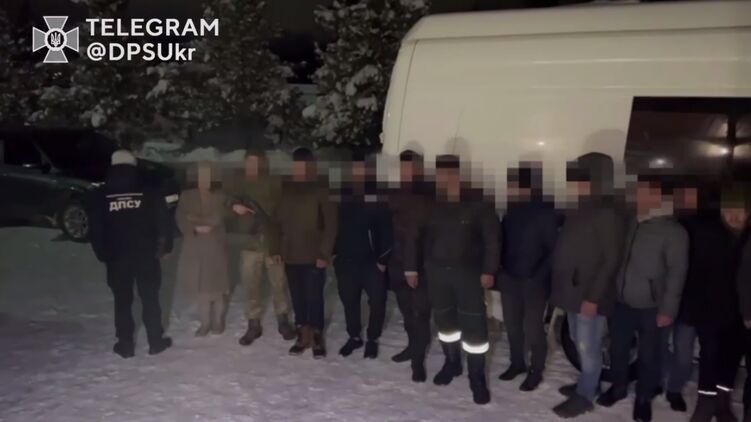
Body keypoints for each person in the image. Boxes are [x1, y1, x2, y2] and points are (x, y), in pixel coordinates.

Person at [405, 154, 500, 405]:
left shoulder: (477, 201)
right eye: (441, 174)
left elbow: (492, 239)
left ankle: (477, 379)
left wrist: (489, 270)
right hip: (437, 274)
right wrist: (411, 269)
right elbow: (413, 236)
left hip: (468, 274)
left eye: (450, 174)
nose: (445, 179)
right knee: (445, 324)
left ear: (459, 174)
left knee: (475, 328)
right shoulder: (429, 204)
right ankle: (452, 363)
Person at [596, 176, 688, 422]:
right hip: (622, 302)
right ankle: (618, 388)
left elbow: (677, 272)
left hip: (652, 306)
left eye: (645, 193)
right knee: (618, 349)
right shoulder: (631, 221)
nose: (639, 198)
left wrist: (668, 309)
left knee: (649, 356)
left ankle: (644, 398)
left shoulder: (673, 231)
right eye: (637, 193)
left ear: (659, 197)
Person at [550, 152, 626, 418]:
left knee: (588, 346)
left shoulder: (607, 212)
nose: (575, 183)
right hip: (573, 291)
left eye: (581, 178)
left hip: (589, 295)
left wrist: (593, 297)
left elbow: (611, 258)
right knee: (576, 340)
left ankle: (585, 396)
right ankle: (587, 383)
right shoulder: (580, 207)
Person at [88, 149, 173, 358]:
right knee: (150, 298)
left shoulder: (100, 195)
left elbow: (96, 229)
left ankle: (125, 344)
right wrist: (164, 247)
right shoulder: (149, 191)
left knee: (122, 300)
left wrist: (103, 254)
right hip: (146, 255)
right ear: (134, 165)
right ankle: (155, 341)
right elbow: (163, 221)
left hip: (117, 258)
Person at [687, 184, 750, 422]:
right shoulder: (709, 234)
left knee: (730, 358)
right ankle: (705, 404)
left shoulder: (748, 238)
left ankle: (722, 404)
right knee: (710, 355)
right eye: (728, 210)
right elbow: (695, 274)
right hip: (710, 309)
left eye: (739, 210)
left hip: (741, 312)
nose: (733, 216)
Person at [269, 147, 338, 359]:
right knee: (297, 296)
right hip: (291, 253)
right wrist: (275, 249)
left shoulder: (321, 188)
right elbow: (275, 222)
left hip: (314, 254)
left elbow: (331, 224)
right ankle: (302, 334)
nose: (300, 169)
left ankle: (316, 336)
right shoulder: (286, 188)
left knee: (314, 296)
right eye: (297, 165)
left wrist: (324, 253)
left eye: (305, 165)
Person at [496, 164, 558, 392]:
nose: (509, 190)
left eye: (513, 186)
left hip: (534, 283)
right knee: (512, 326)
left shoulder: (546, 212)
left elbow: (554, 251)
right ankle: (517, 363)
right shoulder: (511, 212)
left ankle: (536, 370)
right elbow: (501, 242)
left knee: (533, 328)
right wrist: (500, 270)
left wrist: (537, 276)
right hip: (509, 279)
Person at [230, 149, 295, 345]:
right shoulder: (238, 181)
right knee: (251, 284)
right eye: (248, 162)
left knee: (278, 283)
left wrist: (280, 243)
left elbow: (284, 210)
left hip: (272, 241)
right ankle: (253, 323)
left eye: (255, 162)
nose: (251, 166)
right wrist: (234, 205)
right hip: (249, 242)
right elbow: (227, 198)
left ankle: (283, 320)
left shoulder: (274, 181)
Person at [333, 151, 392, 359]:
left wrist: (382, 258)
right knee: (350, 301)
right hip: (345, 260)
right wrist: (333, 252)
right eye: (354, 169)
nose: (357, 173)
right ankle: (354, 336)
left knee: (377, 301)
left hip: (371, 261)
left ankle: (373, 338)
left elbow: (387, 227)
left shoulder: (376, 193)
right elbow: (332, 224)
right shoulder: (342, 193)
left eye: (361, 169)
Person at [388, 150, 432, 382]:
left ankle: (418, 362)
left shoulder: (429, 194)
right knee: (407, 313)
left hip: (420, 267)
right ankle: (412, 347)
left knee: (420, 315)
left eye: (411, 168)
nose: (406, 172)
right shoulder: (394, 193)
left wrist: (415, 265)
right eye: (403, 168)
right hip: (397, 263)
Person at [661, 179, 705, 412]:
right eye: (680, 195)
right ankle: (654, 381)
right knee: (655, 346)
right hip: (662, 298)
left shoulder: (706, 228)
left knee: (684, 353)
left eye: (689, 195)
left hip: (690, 302)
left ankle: (675, 390)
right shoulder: (665, 223)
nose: (684, 200)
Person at [175, 161, 231, 337]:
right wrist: (194, 226)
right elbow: (181, 216)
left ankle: (218, 322)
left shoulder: (221, 196)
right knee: (201, 290)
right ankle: (205, 323)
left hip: (215, 247)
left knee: (217, 289)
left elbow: (220, 216)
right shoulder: (186, 196)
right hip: (195, 247)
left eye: (208, 177)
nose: (204, 181)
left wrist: (197, 219)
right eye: (201, 177)